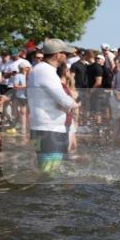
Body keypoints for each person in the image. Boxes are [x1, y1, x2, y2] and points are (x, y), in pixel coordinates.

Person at [26, 39, 78, 171]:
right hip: (49, 128)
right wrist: (73, 103)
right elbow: (65, 101)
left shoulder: (39, 69)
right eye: (65, 53)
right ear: (57, 54)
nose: (67, 56)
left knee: (47, 170)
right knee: (50, 173)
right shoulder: (46, 71)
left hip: (43, 127)